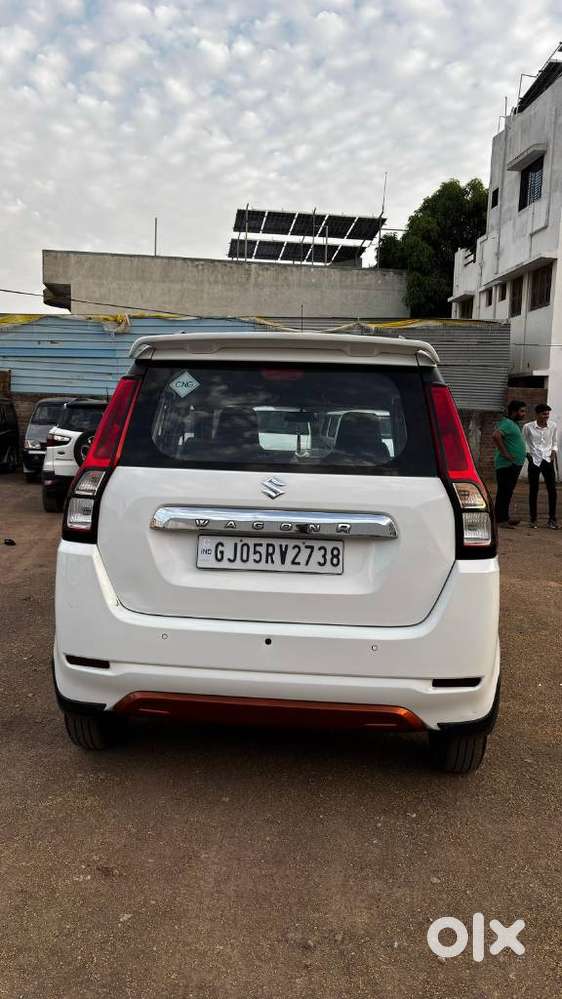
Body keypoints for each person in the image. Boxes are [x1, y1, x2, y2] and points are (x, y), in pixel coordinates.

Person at [523, 404, 558, 529]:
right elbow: (524, 442)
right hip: (534, 460)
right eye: (544, 414)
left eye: (548, 414)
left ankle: (552, 519)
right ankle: (533, 520)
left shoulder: (553, 426)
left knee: (552, 490)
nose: (546, 416)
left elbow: (554, 441)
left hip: (548, 460)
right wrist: (529, 455)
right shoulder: (528, 427)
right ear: (537, 414)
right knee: (534, 490)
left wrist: (554, 451)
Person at [493, 400, 527, 527]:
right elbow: (496, 436)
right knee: (504, 491)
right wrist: (505, 453)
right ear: (514, 412)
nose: (524, 414)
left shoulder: (513, 424)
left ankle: (504, 517)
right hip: (506, 464)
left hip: (513, 464)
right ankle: (500, 520)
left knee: (507, 492)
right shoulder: (507, 423)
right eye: (522, 411)